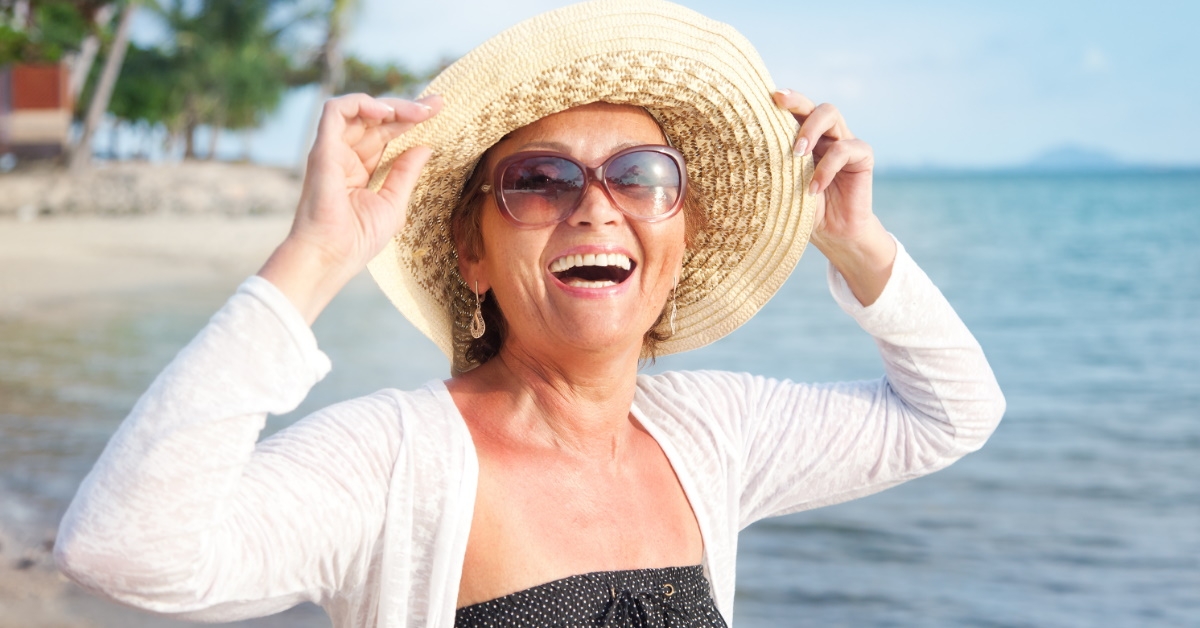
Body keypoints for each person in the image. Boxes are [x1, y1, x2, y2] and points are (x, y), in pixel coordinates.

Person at [54, 1, 1005, 627]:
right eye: (540, 181)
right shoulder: (393, 462)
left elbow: (953, 414)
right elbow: (123, 549)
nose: (596, 207)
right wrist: (316, 257)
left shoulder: (712, 434)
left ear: (677, 244)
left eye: (640, 177)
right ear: (470, 253)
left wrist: (854, 243)